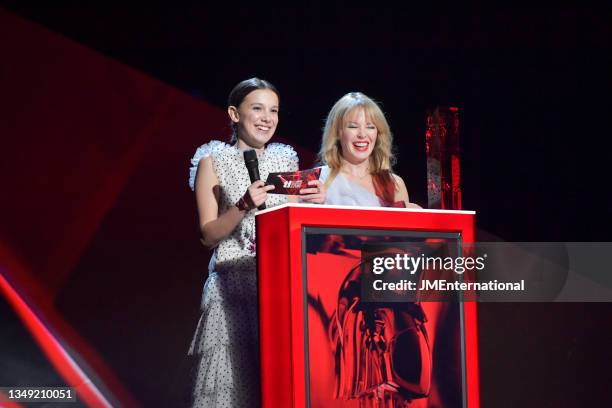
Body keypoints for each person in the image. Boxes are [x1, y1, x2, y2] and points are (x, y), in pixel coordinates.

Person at [187, 78, 324, 408]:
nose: (267, 118)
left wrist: (315, 204)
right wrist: (243, 206)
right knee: (232, 393)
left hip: (278, 291)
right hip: (232, 292)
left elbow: (294, 229)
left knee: (276, 390)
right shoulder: (213, 160)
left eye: (273, 110)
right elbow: (208, 234)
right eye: (257, 108)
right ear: (234, 113)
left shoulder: (285, 159)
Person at [318, 92, 430, 407]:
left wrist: (420, 218)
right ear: (338, 133)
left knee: (405, 386)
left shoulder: (393, 183)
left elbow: (408, 244)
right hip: (348, 303)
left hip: (393, 301)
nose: (363, 135)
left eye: (370, 127)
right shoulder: (322, 181)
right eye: (354, 126)